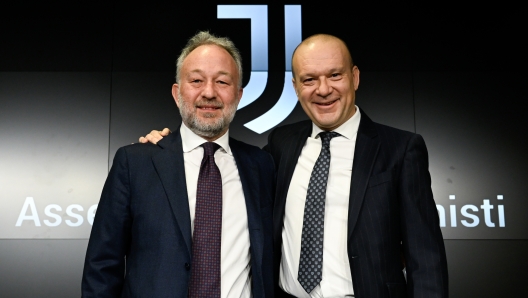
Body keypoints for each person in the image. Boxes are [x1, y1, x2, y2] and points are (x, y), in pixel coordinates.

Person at [141, 34, 448, 298]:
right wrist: (167, 144)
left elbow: (426, 258)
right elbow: (222, 160)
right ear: (296, 86)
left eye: (335, 75)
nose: (323, 89)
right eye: (309, 79)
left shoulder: (401, 148)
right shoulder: (282, 144)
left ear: (354, 77)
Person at [82, 31, 275, 298]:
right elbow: (102, 267)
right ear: (177, 93)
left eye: (222, 81)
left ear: (239, 95)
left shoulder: (262, 165)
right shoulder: (136, 162)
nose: (209, 92)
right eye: (196, 80)